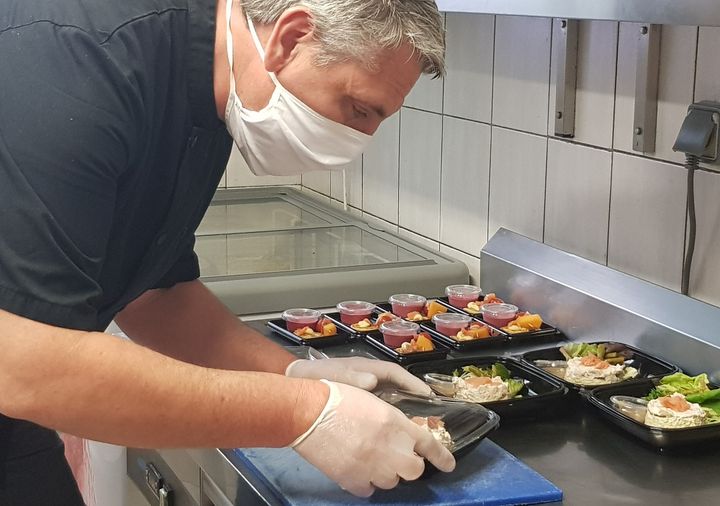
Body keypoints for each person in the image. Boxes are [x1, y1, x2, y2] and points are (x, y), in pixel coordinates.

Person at [0, 0, 452, 503]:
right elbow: (23, 362)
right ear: (291, 36)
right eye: (358, 109)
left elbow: (153, 293)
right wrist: (303, 413)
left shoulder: (207, 90)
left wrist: (292, 371)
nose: (358, 138)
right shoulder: (79, 61)